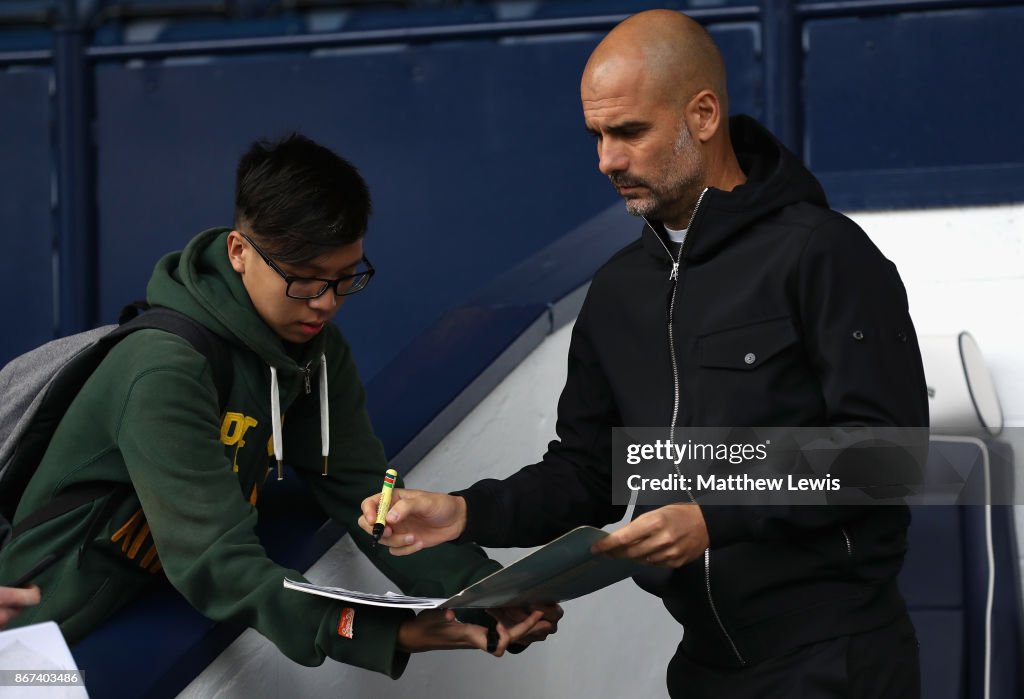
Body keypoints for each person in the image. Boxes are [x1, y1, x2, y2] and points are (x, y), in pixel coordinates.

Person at [360, 9, 928, 698]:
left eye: (629, 131)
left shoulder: (823, 253)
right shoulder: (618, 291)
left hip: (834, 662)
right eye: (597, 135)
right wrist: (463, 512)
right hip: (704, 668)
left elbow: (888, 455)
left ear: (705, 113)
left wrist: (713, 515)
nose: (607, 159)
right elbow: (587, 473)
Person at [0, 134, 556, 676]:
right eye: (305, 282)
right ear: (240, 252)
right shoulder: (163, 367)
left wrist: (480, 590)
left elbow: (364, 488)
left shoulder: (313, 351)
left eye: (345, 279)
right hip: (35, 637)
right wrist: (384, 631)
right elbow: (217, 560)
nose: (327, 303)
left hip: (138, 615)